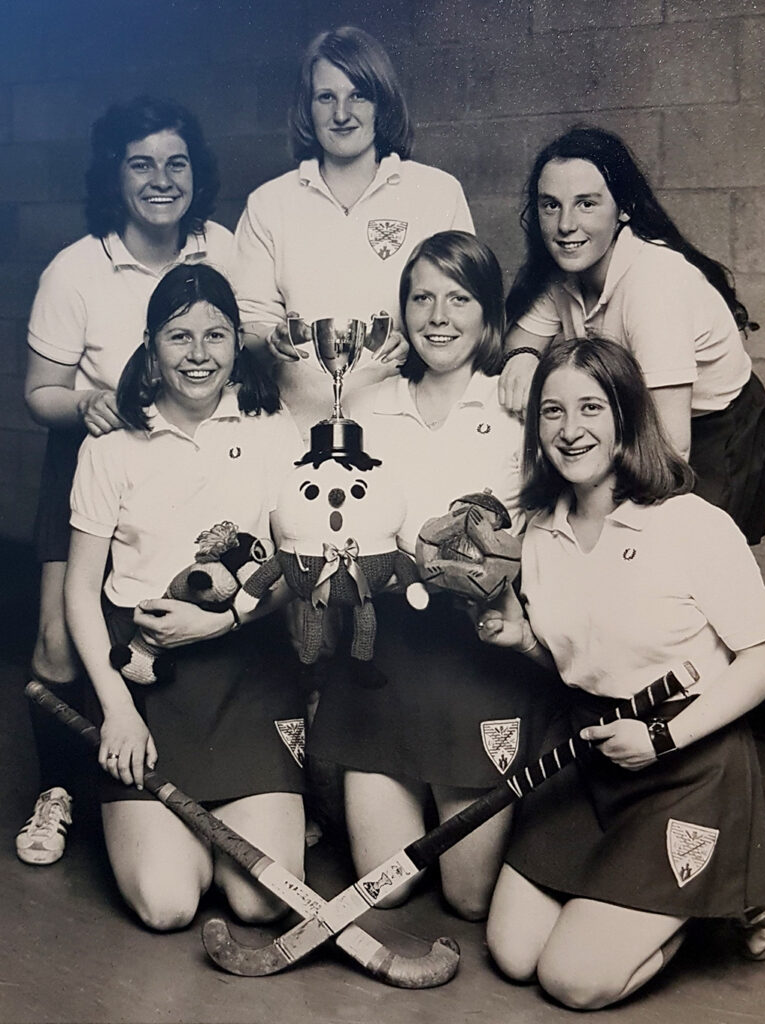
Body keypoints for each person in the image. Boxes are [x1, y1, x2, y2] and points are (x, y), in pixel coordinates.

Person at [478, 336, 765, 1008]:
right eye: (552, 412)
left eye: (590, 407)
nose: (570, 429)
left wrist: (664, 739)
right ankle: (649, 908)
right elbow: (586, 663)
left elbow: (764, 656)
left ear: (625, 415)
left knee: (572, 981)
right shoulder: (540, 531)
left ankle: (707, 908)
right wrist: (525, 642)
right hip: (591, 758)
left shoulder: (690, 524)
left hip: (686, 765)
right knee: (514, 954)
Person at [309, 231, 559, 920]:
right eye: (422, 298)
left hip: (480, 658)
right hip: (387, 654)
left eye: (459, 298)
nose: (439, 316)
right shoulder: (365, 409)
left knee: (469, 899)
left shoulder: (517, 409)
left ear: (489, 316)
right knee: (388, 890)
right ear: (403, 310)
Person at [19, 96, 233, 865]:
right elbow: (38, 393)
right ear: (116, 175)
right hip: (94, 455)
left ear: (195, 174)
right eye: (141, 163)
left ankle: (226, 778)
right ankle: (61, 790)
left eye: (176, 163)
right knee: (56, 643)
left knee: (195, 611)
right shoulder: (75, 268)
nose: (160, 179)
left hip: (189, 465)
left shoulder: (222, 249)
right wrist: (87, 401)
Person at [63, 265, 306, 930]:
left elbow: (293, 564)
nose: (199, 355)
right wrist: (115, 711)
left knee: (263, 900)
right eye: (179, 337)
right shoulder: (110, 447)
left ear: (236, 343)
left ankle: (237, 821)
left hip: (248, 672)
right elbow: (81, 593)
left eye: (216, 335)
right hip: (142, 676)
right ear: (150, 344)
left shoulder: (272, 430)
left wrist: (225, 620)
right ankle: (169, 832)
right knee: (169, 904)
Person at [497, 125, 765, 545]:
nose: (565, 224)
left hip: (715, 426)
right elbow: (515, 345)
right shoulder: (564, 271)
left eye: (586, 204)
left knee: (687, 549)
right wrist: (524, 357)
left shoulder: (652, 282)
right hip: (638, 418)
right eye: (551, 205)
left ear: (623, 208)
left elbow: (672, 450)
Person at [229, 25, 474, 440]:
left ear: (382, 102)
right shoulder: (269, 203)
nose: (341, 113)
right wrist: (269, 341)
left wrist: (416, 344)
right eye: (326, 97)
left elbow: (467, 311)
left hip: (411, 431)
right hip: (295, 437)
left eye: (357, 94)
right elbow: (249, 324)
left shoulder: (437, 192)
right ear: (308, 108)